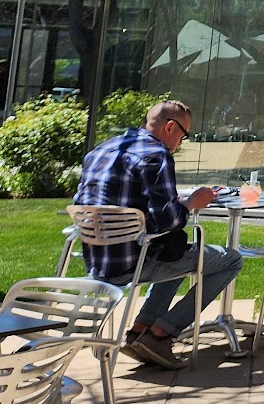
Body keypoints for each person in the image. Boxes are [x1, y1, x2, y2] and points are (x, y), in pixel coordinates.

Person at [71, 99, 242, 370]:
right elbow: (169, 219)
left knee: (178, 252)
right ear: (170, 127)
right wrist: (192, 202)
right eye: (184, 136)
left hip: (98, 260)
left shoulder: (103, 149)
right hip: (133, 262)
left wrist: (173, 204)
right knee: (231, 259)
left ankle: (141, 331)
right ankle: (163, 333)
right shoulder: (156, 154)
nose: (181, 143)